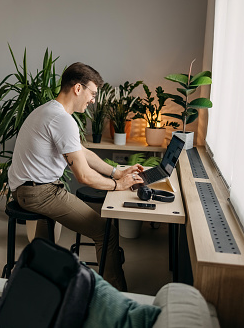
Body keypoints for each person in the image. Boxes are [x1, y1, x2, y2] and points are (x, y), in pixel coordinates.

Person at [8, 62, 144, 291]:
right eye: (92, 93)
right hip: (40, 192)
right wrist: (118, 185)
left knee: (46, 244)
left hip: (27, 188)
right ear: (78, 89)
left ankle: (41, 282)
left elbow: (81, 152)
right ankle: (115, 296)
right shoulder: (62, 120)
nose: (93, 100)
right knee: (106, 232)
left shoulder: (49, 110)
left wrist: (116, 172)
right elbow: (83, 176)